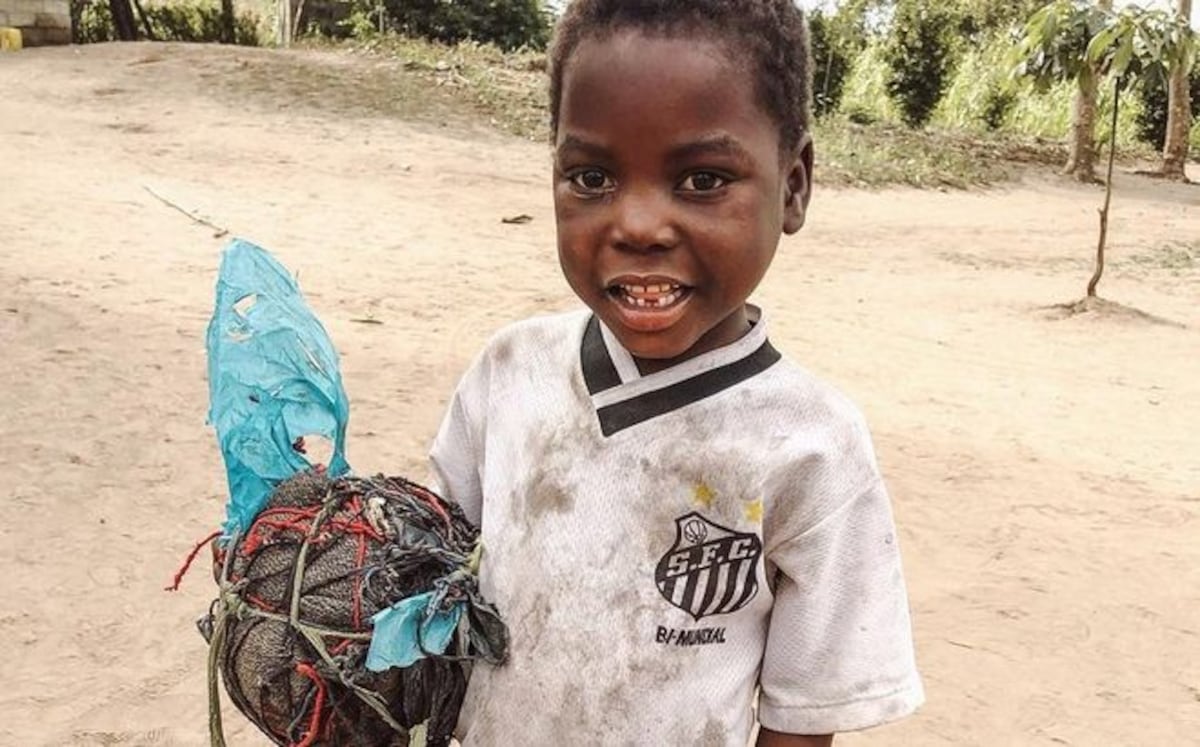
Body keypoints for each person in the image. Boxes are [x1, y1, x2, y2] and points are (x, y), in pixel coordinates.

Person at [429, 1, 924, 744]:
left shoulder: (813, 448)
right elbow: (424, 575)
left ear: (793, 186)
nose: (637, 225)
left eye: (701, 180)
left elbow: (804, 714)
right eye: (592, 177)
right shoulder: (508, 375)